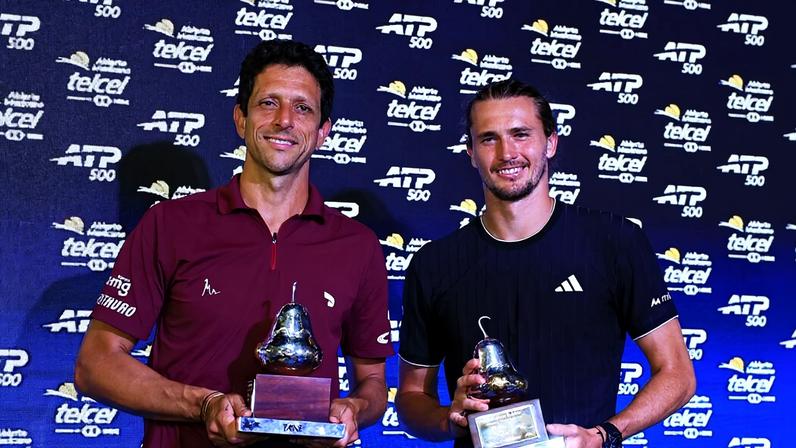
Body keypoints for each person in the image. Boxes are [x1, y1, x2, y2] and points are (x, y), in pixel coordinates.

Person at [74, 40, 394, 447]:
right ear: (240, 119)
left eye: (302, 108)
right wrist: (203, 404)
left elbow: (372, 383)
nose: (284, 121)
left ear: (322, 133)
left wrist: (353, 411)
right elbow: (96, 364)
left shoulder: (357, 245)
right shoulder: (170, 224)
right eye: (267, 103)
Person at [395, 79, 696, 448]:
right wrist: (451, 418)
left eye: (521, 134)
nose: (507, 153)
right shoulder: (435, 264)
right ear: (470, 152)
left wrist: (605, 436)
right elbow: (411, 400)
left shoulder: (614, 241)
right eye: (489, 138)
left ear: (550, 142)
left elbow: (678, 374)